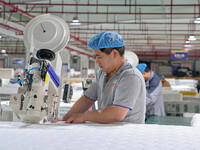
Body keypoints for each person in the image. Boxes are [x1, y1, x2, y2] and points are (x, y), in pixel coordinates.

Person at [52, 31, 146, 124]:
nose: (96, 61)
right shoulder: (102, 73)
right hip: (108, 131)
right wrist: (66, 118)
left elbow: (117, 114)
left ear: (114, 54)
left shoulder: (130, 76)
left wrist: (84, 116)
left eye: (99, 57)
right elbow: (87, 99)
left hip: (128, 134)